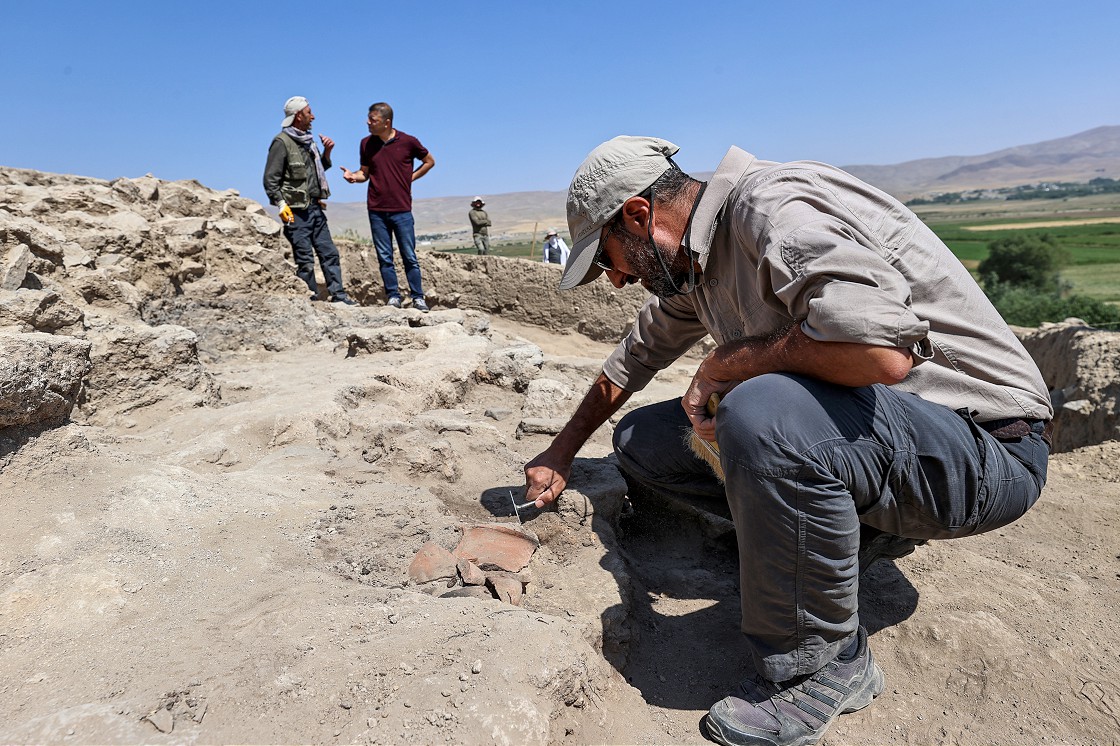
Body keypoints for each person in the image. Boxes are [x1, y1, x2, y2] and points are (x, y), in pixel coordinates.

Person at [523, 136, 1053, 746]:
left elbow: (879, 352)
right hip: (886, 442)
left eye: (610, 258)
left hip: (983, 449)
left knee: (759, 409)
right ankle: (836, 540)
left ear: (640, 216)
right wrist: (560, 451)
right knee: (645, 439)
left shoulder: (769, 209)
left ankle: (824, 666)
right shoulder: (695, 264)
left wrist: (734, 361)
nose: (615, 280)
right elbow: (634, 357)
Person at [340, 102, 434, 312]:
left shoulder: (408, 142)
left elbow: (429, 161)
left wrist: (410, 178)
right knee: (384, 257)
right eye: (369, 119)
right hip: (376, 210)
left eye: (373, 120)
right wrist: (353, 177)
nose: (368, 123)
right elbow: (365, 172)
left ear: (386, 122)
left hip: (401, 209)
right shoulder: (366, 144)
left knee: (409, 255)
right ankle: (393, 296)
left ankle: (418, 297)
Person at [263, 96, 356, 305]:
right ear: (298, 116)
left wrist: (327, 153)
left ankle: (339, 296)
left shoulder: (308, 141)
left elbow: (315, 172)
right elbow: (271, 179)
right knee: (304, 259)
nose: (313, 117)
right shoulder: (282, 142)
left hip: (315, 208)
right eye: (308, 113)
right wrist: (280, 203)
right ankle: (310, 301)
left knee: (329, 253)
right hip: (295, 212)